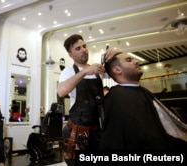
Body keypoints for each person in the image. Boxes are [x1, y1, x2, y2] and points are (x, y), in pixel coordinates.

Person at [97, 48, 187, 151]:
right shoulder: (117, 97)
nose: (137, 61)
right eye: (129, 60)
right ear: (117, 70)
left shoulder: (142, 91)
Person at [57, 34, 105, 166]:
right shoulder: (68, 72)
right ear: (70, 55)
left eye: (84, 46)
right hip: (77, 133)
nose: (84, 49)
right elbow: (61, 91)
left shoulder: (97, 71)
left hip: (97, 131)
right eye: (78, 48)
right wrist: (84, 72)